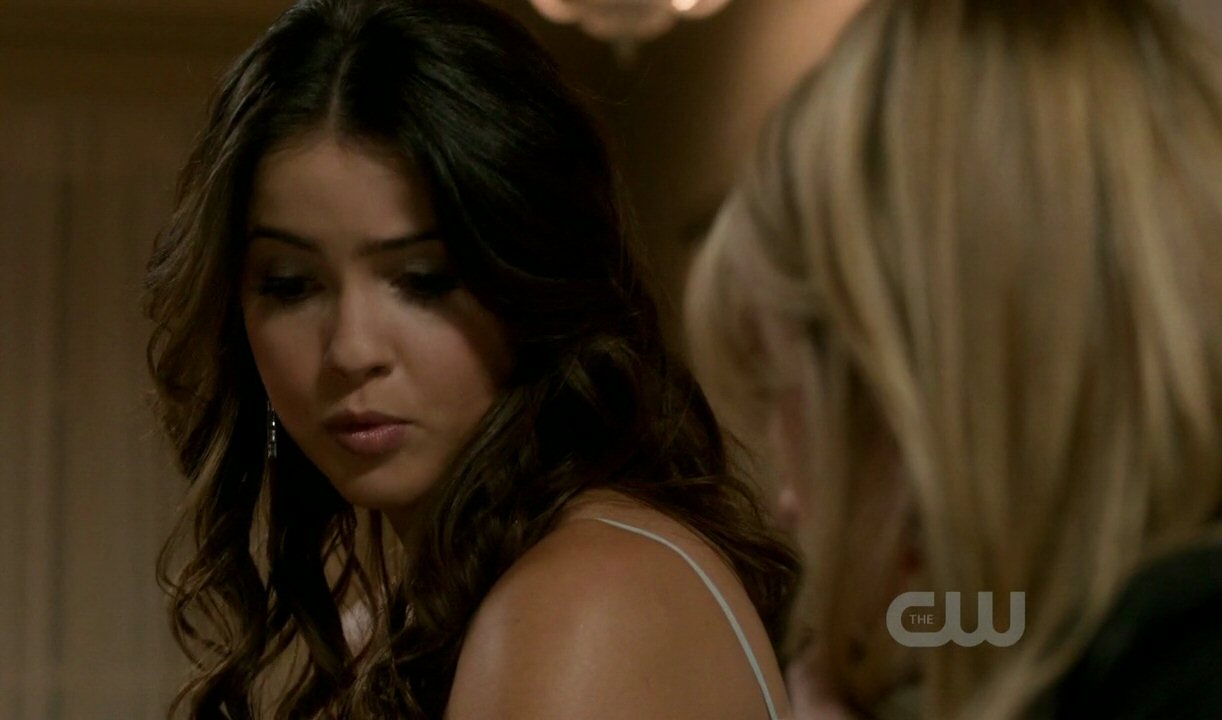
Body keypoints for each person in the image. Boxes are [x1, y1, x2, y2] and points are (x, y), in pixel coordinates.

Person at [142, 0, 798, 717]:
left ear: (532, 277)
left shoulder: (581, 597)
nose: (351, 350)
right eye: (291, 284)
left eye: (424, 279)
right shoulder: (487, 587)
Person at [684, 0, 1222, 718]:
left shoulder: (1213, 652)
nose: (785, 500)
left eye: (785, 390)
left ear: (912, 381)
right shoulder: (1076, 611)